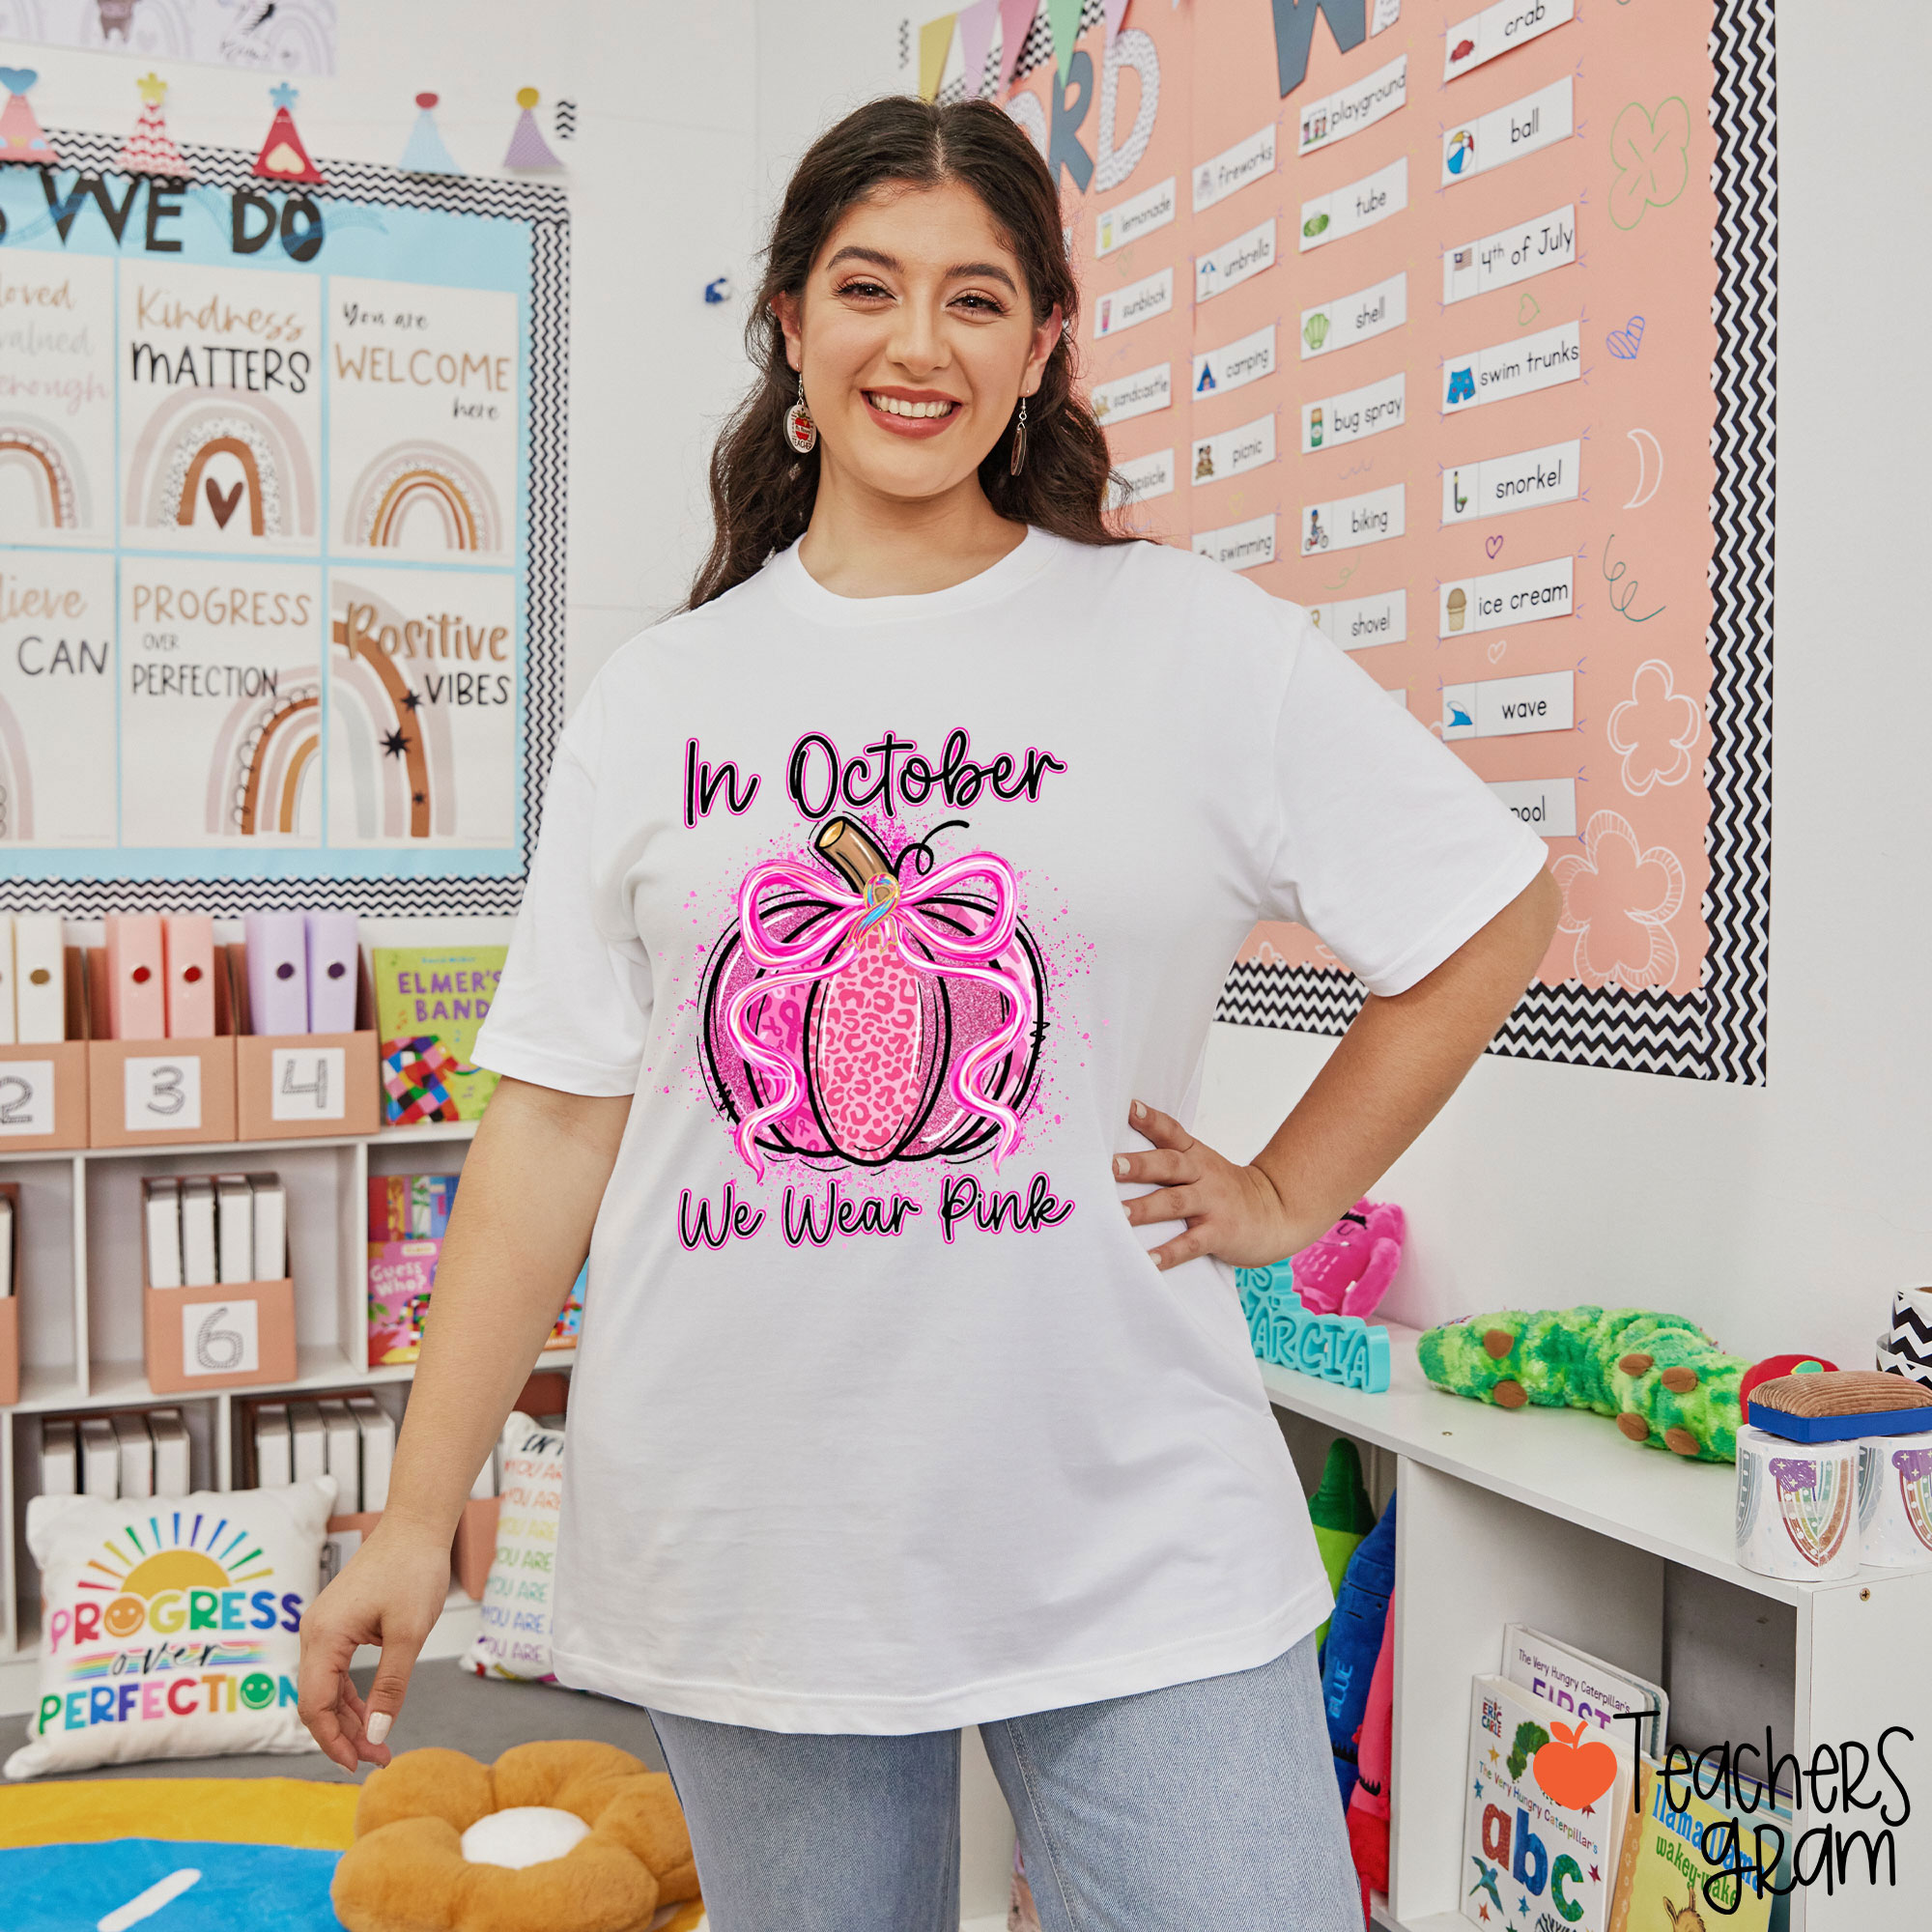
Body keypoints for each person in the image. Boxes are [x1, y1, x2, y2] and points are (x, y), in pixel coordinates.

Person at [298, 95, 1559, 1931]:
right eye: (868, 286)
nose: (919, 342)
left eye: (977, 299)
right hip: (754, 1526)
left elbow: (1488, 908)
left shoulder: (1189, 644)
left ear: (1043, 345)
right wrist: (419, 1515)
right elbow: (556, 1120)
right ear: (792, 325)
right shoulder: (661, 699)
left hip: (1132, 1518)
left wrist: (1290, 1192)